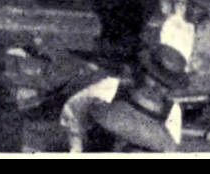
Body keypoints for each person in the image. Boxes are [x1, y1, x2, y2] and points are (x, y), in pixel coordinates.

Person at [60, 43, 188, 153]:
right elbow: (74, 109)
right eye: (153, 79)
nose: (157, 87)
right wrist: (76, 147)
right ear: (143, 72)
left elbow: (168, 148)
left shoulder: (171, 111)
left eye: (165, 85)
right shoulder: (113, 88)